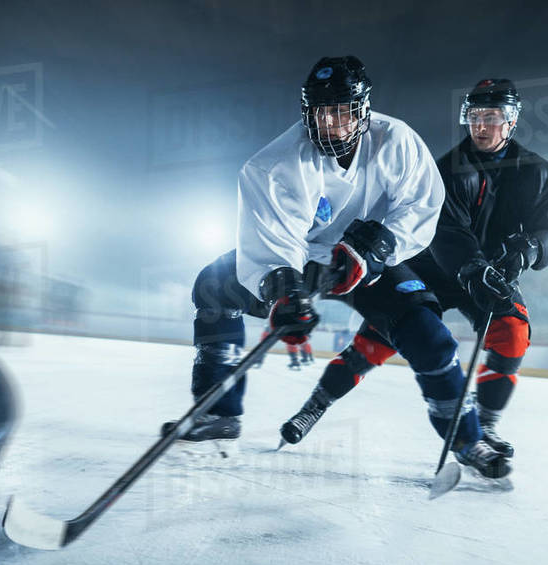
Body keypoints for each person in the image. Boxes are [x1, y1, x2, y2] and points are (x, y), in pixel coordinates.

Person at [163, 57, 511, 479]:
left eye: (342, 111)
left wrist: (379, 247)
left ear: (362, 110)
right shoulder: (273, 166)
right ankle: (218, 415)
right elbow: (272, 242)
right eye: (320, 112)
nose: (330, 123)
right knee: (214, 285)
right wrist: (285, 292)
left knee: (429, 335)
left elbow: (421, 206)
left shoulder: (396, 140)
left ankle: (468, 439)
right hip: (304, 258)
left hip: (371, 262)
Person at [281, 78, 548, 461]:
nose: (481, 126)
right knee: (374, 344)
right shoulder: (448, 170)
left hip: (491, 274)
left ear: (512, 120)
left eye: (491, 117)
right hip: (433, 268)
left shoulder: (539, 173)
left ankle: (485, 426)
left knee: (513, 331)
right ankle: (315, 406)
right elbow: (446, 232)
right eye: (475, 117)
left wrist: (531, 249)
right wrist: (474, 270)